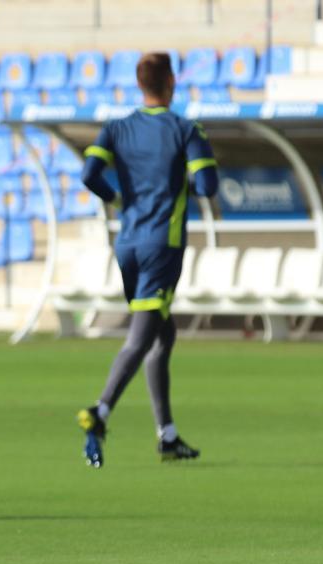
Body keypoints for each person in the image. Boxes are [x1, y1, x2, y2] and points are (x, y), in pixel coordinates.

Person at [77, 52, 219, 467]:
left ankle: (167, 435)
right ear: (171, 81)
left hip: (128, 244)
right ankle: (100, 412)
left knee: (162, 333)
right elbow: (207, 185)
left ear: (140, 84)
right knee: (142, 336)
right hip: (162, 243)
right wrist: (181, 180)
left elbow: (89, 174)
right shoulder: (184, 129)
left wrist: (119, 199)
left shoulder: (116, 128)